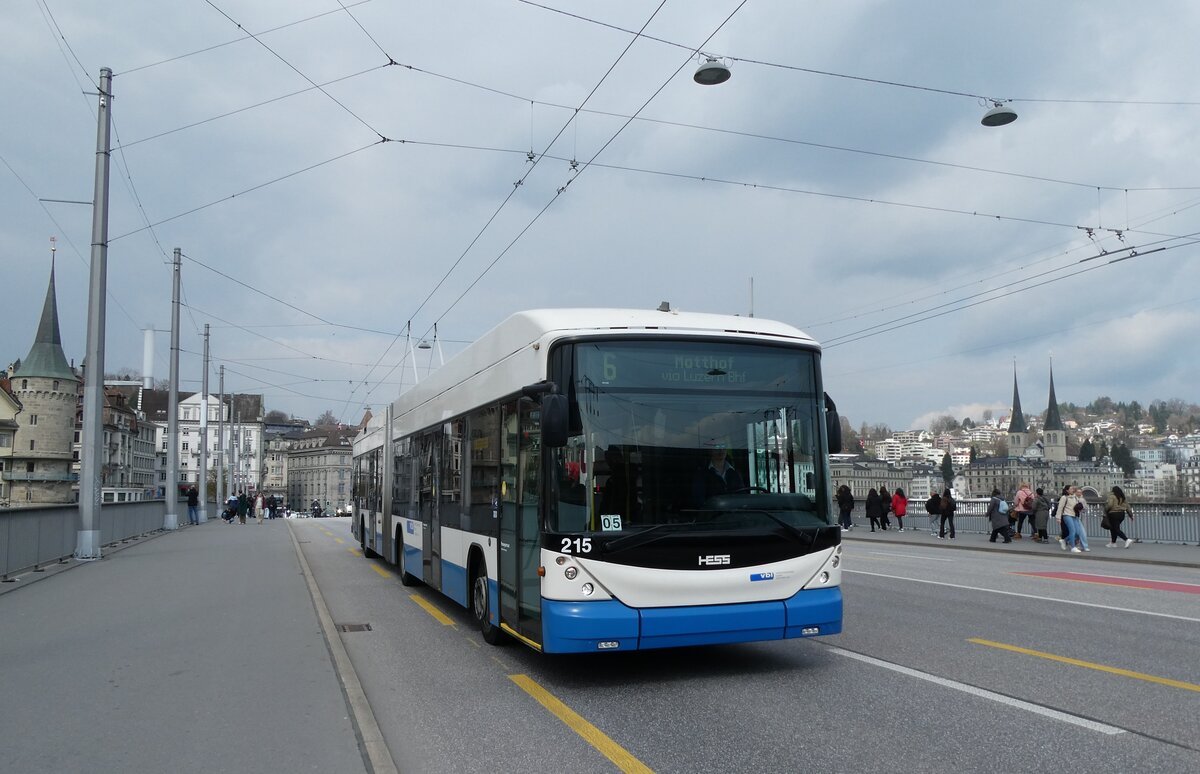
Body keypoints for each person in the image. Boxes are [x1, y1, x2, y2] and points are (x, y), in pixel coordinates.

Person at [1057, 485, 1089, 552]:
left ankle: (1064, 540)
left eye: (1073, 489)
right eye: (1071, 489)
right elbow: (1060, 508)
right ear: (1067, 490)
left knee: (1077, 532)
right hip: (1067, 515)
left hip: (1074, 516)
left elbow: (1078, 505)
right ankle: (1073, 547)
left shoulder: (1075, 497)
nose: (1073, 490)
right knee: (1073, 531)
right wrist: (1058, 518)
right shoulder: (1064, 497)